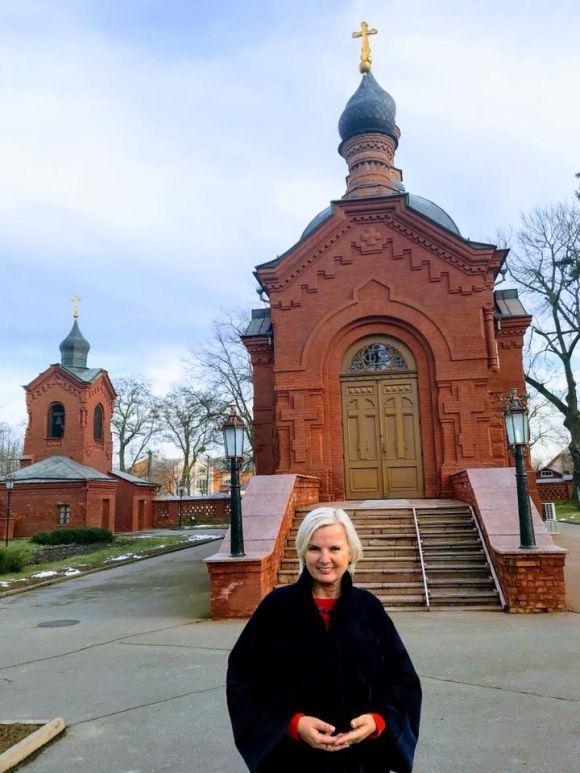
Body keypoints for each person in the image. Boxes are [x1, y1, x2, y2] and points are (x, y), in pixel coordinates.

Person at [227, 506, 422, 772]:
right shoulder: (277, 608)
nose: (324, 558)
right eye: (314, 548)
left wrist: (377, 721)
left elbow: (402, 680)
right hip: (292, 760)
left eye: (335, 549)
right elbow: (244, 680)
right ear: (302, 552)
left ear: (351, 552)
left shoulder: (368, 609)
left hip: (360, 759)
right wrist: (292, 724)